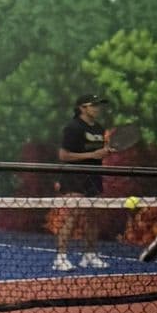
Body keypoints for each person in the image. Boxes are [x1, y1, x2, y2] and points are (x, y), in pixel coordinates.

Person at [53, 93, 111, 271]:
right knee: (73, 215)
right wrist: (92, 155)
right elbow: (64, 155)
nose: (97, 108)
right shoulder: (73, 127)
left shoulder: (99, 128)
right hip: (74, 178)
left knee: (92, 217)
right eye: (93, 105)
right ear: (82, 108)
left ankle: (90, 255)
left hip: (94, 178)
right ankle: (60, 258)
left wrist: (104, 152)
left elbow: (98, 153)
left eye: (99, 105)